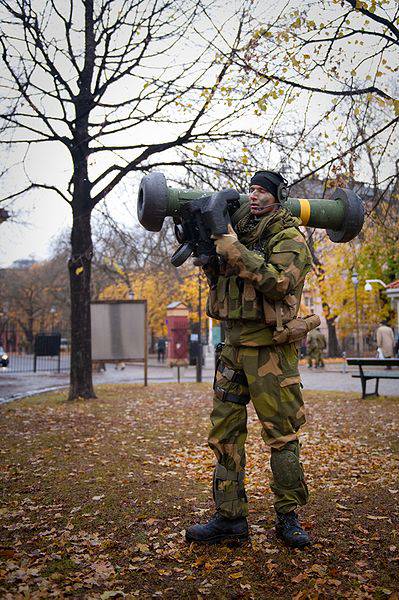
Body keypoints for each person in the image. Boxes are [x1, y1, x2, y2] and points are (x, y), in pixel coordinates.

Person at [185, 170, 314, 549]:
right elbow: (223, 279)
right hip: (233, 347)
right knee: (224, 436)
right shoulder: (237, 233)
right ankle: (229, 518)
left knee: (281, 436)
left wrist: (228, 243)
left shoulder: (289, 238)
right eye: (251, 190)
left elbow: (277, 283)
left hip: (270, 352)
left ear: (278, 197)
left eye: (262, 191)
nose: (254, 197)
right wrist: (208, 249)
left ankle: (288, 518)